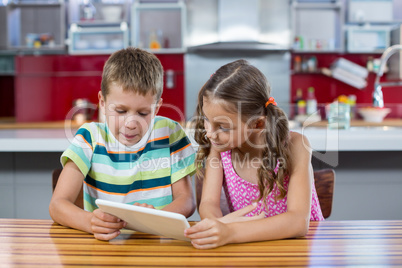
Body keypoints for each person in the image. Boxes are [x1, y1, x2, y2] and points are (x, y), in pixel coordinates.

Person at [49, 47, 196, 241]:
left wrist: (153, 220)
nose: (131, 123)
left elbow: (186, 201)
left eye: (143, 113)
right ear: (102, 101)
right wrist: (90, 222)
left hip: (158, 245)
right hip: (107, 246)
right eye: (120, 111)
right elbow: (58, 205)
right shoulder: (90, 138)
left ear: (157, 107)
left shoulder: (170, 133)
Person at [184, 59, 323, 249]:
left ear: (257, 124)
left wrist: (230, 232)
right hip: (248, 247)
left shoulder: (295, 145)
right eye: (207, 120)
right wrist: (217, 226)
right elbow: (208, 204)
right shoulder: (219, 148)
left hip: (299, 248)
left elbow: (298, 222)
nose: (209, 133)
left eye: (223, 126)